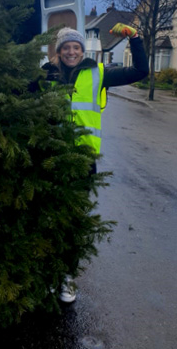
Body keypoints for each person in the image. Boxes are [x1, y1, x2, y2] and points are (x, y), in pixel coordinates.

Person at [44, 23, 148, 303]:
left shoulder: (98, 73)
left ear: (82, 50)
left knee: (73, 220)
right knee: (48, 218)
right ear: (58, 51)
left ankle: (67, 276)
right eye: (66, 47)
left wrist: (135, 39)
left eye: (76, 47)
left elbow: (140, 72)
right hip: (50, 157)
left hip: (82, 159)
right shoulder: (46, 75)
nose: (71, 51)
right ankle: (48, 273)